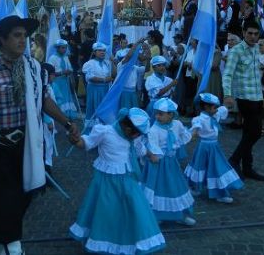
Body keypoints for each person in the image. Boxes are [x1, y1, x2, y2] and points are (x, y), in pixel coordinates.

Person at [0, 15, 79, 255]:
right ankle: (9, 243)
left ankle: (4, 239)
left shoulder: (33, 68)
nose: (24, 40)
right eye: (17, 35)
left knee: (22, 195)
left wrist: (66, 122)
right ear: (2, 40)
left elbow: (44, 100)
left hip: (25, 144)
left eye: (25, 35)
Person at [69, 108, 166, 254]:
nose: (138, 136)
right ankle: (105, 240)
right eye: (136, 133)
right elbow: (87, 142)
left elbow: (139, 149)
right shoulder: (106, 132)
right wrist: (77, 141)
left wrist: (150, 155)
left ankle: (133, 238)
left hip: (128, 179)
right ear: (127, 128)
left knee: (135, 207)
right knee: (107, 210)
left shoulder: (134, 136)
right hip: (107, 180)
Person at [223, 22, 264, 181]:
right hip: (244, 97)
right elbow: (227, 74)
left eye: (256, 34)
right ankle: (234, 160)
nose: (253, 37)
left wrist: (261, 97)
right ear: (243, 32)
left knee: (248, 133)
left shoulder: (256, 48)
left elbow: (256, 75)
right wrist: (227, 94)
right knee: (256, 132)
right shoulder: (236, 51)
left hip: (256, 97)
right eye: (250, 33)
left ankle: (247, 168)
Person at [142, 98, 196, 226]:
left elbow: (183, 135)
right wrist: (154, 155)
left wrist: (191, 133)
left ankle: (180, 213)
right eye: (156, 113)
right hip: (159, 164)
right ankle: (156, 214)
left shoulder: (176, 124)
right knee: (159, 188)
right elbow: (152, 145)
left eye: (161, 114)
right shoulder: (154, 129)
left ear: (171, 115)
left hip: (172, 163)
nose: (157, 116)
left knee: (176, 187)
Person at [185, 93, 244, 202]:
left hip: (214, 147)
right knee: (198, 166)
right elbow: (195, 129)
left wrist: (228, 104)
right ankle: (194, 187)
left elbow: (223, 109)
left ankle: (219, 193)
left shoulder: (215, 114)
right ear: (207, 107)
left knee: (217, 167)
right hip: (203, 147)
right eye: (214, 107)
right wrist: (191, 135)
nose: (217, 109)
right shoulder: (200, 119)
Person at [81, 42, 113, 122]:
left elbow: (114, 74)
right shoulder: (89, 64)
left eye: (104, 51)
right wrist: (104, 80)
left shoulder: (107, 62)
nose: (102, 52)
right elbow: (90, 77)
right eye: (99, 51)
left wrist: (113, 62)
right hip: (94, 90)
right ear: (94, 52)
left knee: (104, 108)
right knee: (94, 108)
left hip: (105, 89)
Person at [48, 39, 79, 120]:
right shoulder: (52, 58)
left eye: (65, 48)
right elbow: (51, 72)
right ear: (57, 48)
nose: (64, 49)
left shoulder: (65, 57)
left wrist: (71, 76)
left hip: (65, 81)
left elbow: (69, 68)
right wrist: (62, 72)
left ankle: (68, 115)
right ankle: (59, 115)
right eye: (62, 48)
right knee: (59, 98)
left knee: (67, 97)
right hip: (57, 82)